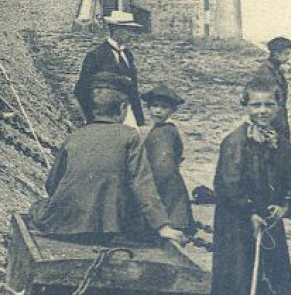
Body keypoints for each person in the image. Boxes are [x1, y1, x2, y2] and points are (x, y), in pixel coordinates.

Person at [209, 77, 291, 295]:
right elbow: (226, 185)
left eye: (269, 104)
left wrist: (285, 205)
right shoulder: (235, 141)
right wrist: (249, 212)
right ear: (245, 105)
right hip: (236, 223)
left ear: (278, 106)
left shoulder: (278, 140)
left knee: (261, 280)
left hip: (267, 221)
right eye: (256, 104)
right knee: (233, 281)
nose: (262, 110)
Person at [31, 76, 183, 245]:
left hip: (64, 222)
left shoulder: (75, 136)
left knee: (36, 208)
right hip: (109, 225)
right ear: (123, 108)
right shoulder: (130, 136)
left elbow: (52, 184)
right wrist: (162, 226)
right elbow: (142, 183)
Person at [75, 10, 146, 125]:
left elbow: (133, 88)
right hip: (105, 118)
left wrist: (139, 119)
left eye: (132, 30)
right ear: (115, 30)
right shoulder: (96, 55)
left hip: (127, 115)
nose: (131, 35)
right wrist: (92, 116)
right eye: (127, 30)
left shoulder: (127, 54)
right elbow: (81, 89)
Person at [140, 86, 194, 237]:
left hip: (165, 185)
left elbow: (162, 165)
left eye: (164, 107)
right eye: (154, 106)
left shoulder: (165, 132)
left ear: (172, 110)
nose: (158, 111)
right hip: (169, 183)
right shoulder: (159, 129)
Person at [254, 36, 291, 147]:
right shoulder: (266, 73)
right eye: (286, 54)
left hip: (279, 119)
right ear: (276, 53)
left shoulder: (275, 70)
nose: (289, 57)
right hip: (273, 122)